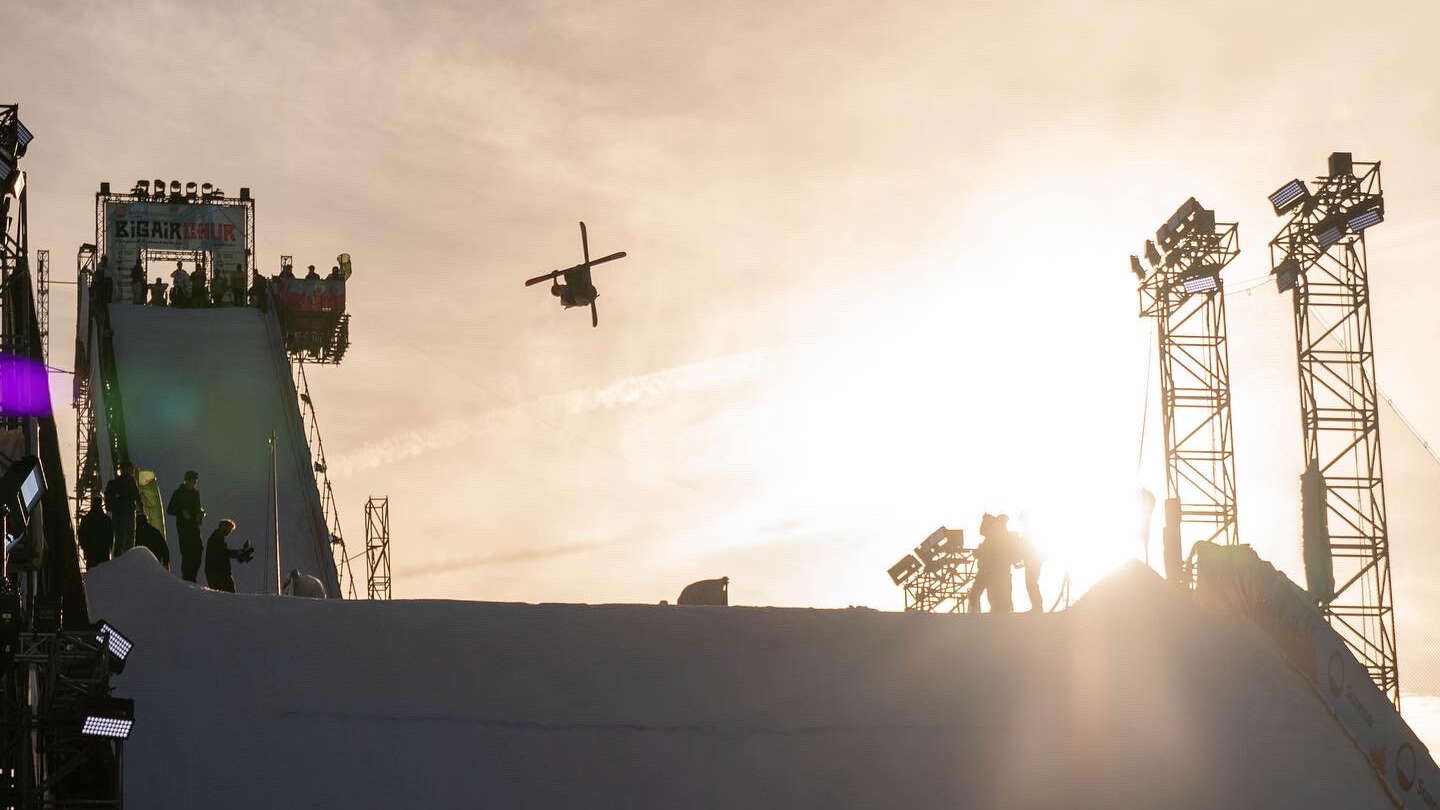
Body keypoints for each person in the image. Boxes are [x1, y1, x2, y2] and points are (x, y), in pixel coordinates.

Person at [969, 513, 1015, 614]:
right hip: (993, 570)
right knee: (993, 595)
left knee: (985, 594)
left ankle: (977, 611)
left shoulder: (996, 537)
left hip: (991, 570)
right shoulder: (996, 537)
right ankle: (994, 612)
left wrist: (979, 553)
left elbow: (990, 552)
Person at [167, 470, 206, 582]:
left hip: (194, 527)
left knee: (198, 551)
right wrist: (181, 511)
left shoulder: (195, 493)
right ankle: (187, 580)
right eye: (193, 481)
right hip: (183, 528)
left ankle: (192, 578)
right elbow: (170, 510)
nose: (194, 483)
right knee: (187, 554)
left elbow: (197, 508)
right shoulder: (178, 493)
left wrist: (200, 514)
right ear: (187, 480)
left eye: (195, 481)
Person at [204, 519, 253, 593]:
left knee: (221, 596)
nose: (229, 532)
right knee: (230, 595)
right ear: (223, 526)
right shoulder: (216, 538)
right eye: (229, 529)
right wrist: (239, 553)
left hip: (215, 572)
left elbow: (222, 553)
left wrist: (239, 554)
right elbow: (223, 553)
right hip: (219, 573)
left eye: (230, 531)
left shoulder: (217, 537)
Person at [104, 462, 141, 556]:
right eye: (130, 469)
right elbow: (137, 497)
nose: (132, 471)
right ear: (124, 469)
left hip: (120, 514)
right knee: (127, 539)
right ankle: (126, 559)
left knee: (120, 539)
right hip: (125, 513)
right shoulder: (128, 482)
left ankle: (119, 559)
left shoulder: (115, 483)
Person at [77, 497, 114, 568]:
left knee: (91, 572)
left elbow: (81, 535)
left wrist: (84, 548)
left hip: (90, 554)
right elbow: (111, 537)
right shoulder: (107, 520)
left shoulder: (86, 519)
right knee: (103, 572)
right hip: (103, 554)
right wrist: (108, 548)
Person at [1018, 531, 1044, 614]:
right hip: (1032, 567)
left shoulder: (1029, 546)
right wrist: (1022, 564)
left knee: (1031, 585)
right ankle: (1037, 606)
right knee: (1031, 585)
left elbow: (1034, 557)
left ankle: (1037, 607)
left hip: (1033, 568)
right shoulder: (1027, 546)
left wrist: (1028, 564)